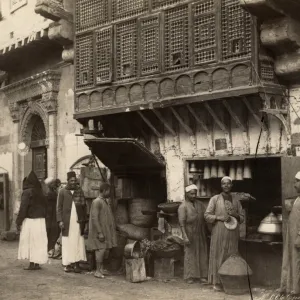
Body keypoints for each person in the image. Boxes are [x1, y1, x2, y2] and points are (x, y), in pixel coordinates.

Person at [204, 176, 250, 292]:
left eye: (228, 184)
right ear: (221, 185)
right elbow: (207, 215)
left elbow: (242, 218)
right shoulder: (215, 199)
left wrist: (235, 214)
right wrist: (219, 217)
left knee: (231, 255)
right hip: (219, 231)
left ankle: (230, 282)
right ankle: (217, 282)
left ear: (231, 185)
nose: (226, 186)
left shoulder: (236, 200)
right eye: (224, 184)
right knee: (218, 255)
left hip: (233, 232)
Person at [16, 171, 48, 270]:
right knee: (38, 242)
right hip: (41, 221)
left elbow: (23, 207)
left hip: (30, 221)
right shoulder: (41, 191)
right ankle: (37, 263)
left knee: (30, 241)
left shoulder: (27, 192)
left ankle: (31, 264)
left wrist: (18, 221)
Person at [57, 171, 87, 273]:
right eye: (71, 180)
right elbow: (59, 207)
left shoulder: (80, 191)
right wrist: (60, 220)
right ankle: (67, 264)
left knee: (78, 241)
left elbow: (84, 206)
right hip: (67, 222)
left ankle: (77, 264)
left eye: (75, 180)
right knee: (67, 242)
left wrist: (84, 220)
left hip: (78, 222)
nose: (73, 182)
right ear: (68, 181)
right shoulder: (62, 191)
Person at [178, 184, 208, 284]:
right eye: (191, 194)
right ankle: (190, 276)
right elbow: (181, 223)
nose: (194, 196)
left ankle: (202, 276)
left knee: (202, 253)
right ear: (186, 194)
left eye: (195, 193)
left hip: (200, 232)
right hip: (189, 232)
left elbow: (205, 217)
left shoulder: (200, 204)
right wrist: (185, 236)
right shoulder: (183, 206)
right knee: (190, 254)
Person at [87, 182, 117, 278]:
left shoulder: (104, 201)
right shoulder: (97, 202)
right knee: (100, 250)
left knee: (104, 250)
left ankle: (101, 269)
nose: (109, 192)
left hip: (105, 230)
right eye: (108, 191)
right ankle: (97, 271)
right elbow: (94, 218)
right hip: (99, 231)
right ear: (104, 191)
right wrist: (99, 232)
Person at [279, 171, 300, 296]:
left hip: (297, 237)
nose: (294, 185)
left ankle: (296, 290)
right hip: (292, 236)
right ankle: (290, 287)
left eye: (297, 181)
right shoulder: (297, 199)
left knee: (297, 262)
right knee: (291, 261)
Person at [45, 177, 61, 256]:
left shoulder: (51, 192)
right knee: (53, 232)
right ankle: (50, 249)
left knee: (52, 232)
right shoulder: (51, 193)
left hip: (51, 215)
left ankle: (50, 249)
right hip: (51, 215)